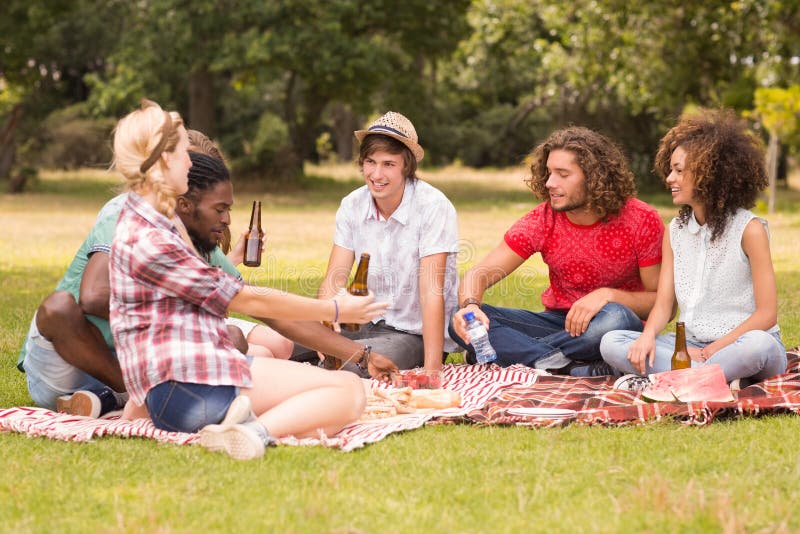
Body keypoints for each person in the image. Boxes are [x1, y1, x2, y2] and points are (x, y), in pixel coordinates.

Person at [109, 100, 388, 459]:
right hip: (192, 389)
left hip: (189, 381)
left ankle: (245, 419)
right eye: (182, 154)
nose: (190, 163)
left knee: (320, 396)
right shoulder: (151, 236)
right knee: (348, 391)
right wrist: (335, 308)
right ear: (164, 159)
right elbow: (245, 299)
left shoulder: (150, 218)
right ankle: (249, 433)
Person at [15, 137, 287, 419]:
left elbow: (252, 299)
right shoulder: (123, 211)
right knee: (58, 307)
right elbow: (93, 297)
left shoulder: (194, 231)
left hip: (124, 360)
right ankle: (133, 396)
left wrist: (319, 320)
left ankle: (108, 399)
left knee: (235, 338)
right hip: (69, 358)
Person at [450, 126, 664, 375]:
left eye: (563, 174)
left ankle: (511, 354)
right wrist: (470, 306)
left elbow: (660, 302)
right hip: (560, 324)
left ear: (595, 177)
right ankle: (567, 366)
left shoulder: (641, 219)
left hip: (611, 327)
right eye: (549, 173)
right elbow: (479, 274)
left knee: (616, 318)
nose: (550, 183)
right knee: (460, 320)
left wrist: (607, 296)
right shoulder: (542, 220)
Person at [600, 109, 786, 388]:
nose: (669, 179)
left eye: (679, 170)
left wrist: (713, 350)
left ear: (709, 174)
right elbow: (664, 304)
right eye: (670, 170)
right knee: (612, 342)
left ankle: (681, 378)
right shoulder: (674, 231)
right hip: (688, 347)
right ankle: (714, 379)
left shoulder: (750, 230)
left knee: (759, 347)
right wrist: (647, 337)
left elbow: (767, 314)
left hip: (741, 343)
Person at [294, 111, 459, 375]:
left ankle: (316, 377)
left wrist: (432, 370)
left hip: (412, 333)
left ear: (406, 166)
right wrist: (323, 329)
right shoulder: (352, 204)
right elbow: (334, 281)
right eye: (370, 162)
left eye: (388, 164)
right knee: (280, 343)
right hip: (359, 321)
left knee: (352, 366)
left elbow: (431, 292)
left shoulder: (433, 206)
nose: (376, 174)